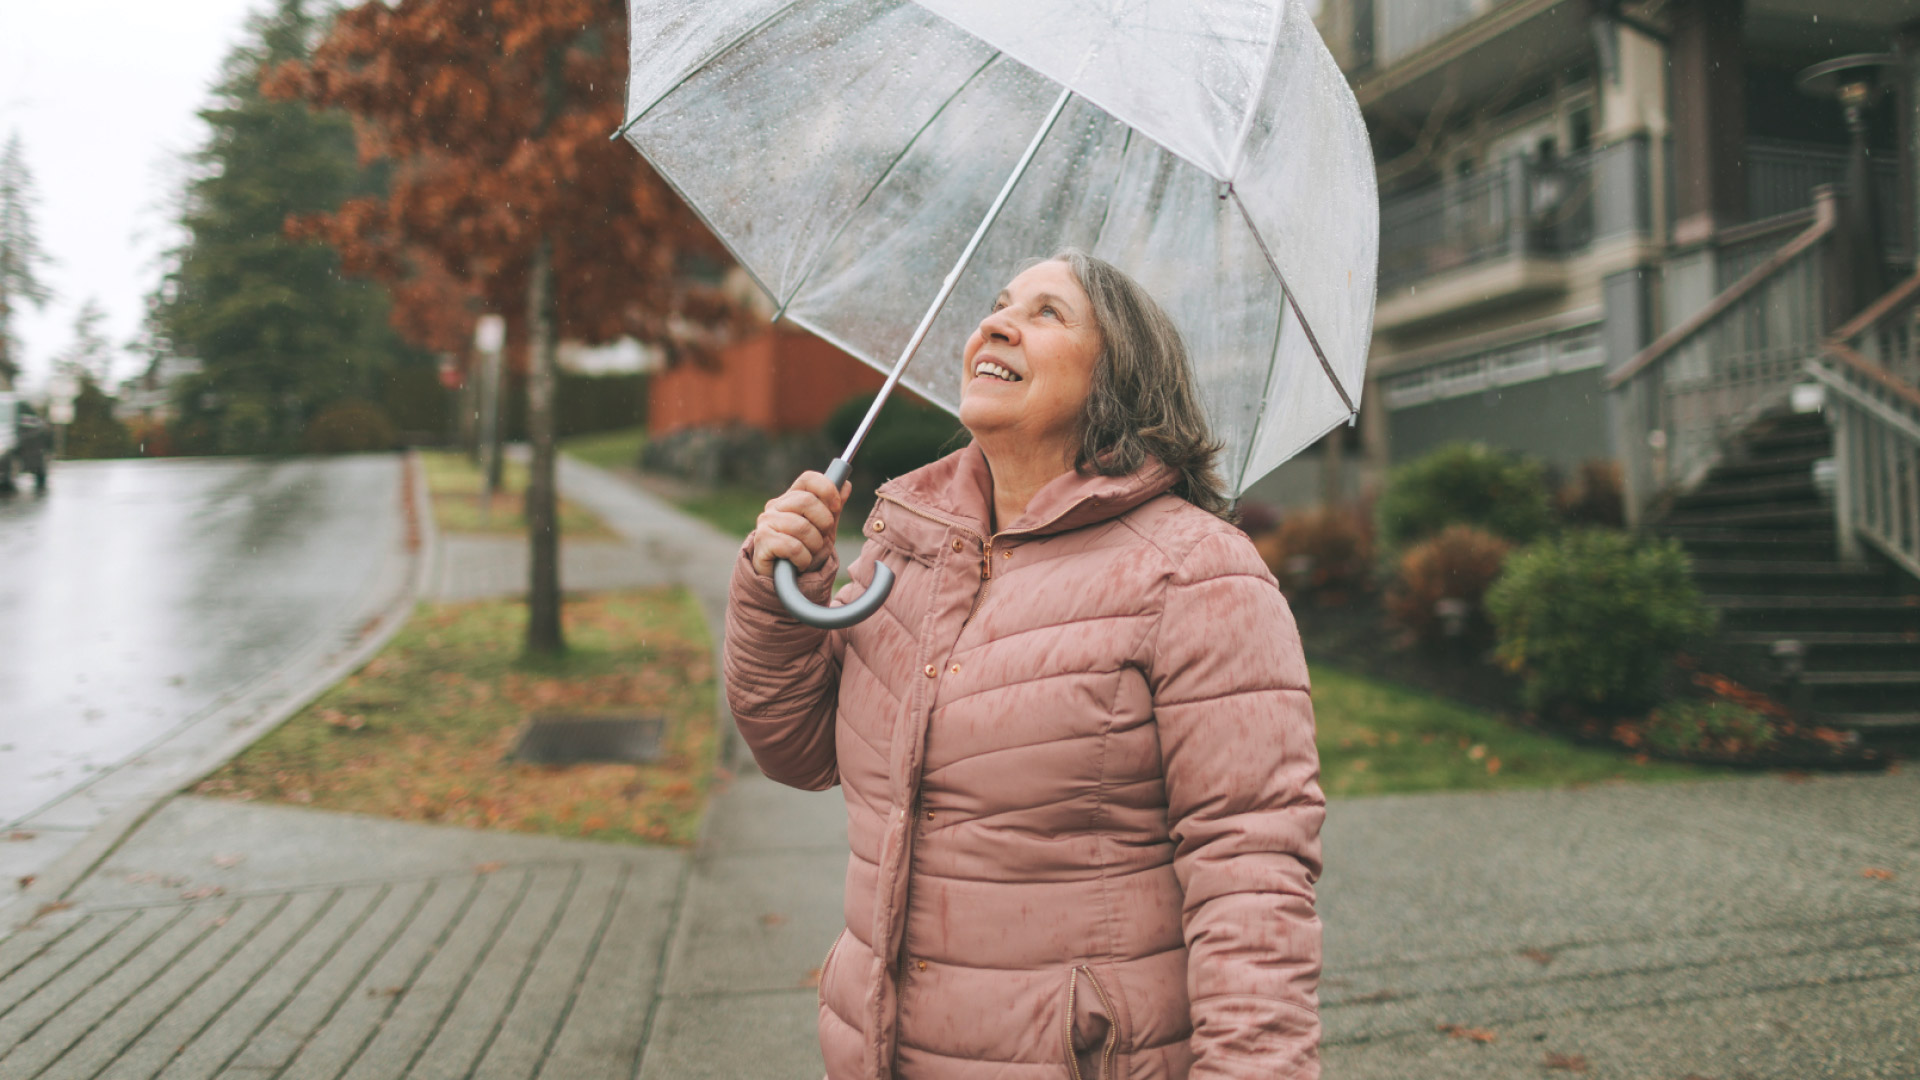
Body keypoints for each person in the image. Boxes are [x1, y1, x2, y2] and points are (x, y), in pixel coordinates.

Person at [725, 249, 1324, 1079]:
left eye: (1049, 314)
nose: (996, 323)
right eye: (1000, 304)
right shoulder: (908, 547)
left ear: (1122, 380)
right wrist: (777, 589)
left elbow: (1252, 875)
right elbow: (795, 751)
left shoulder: (1194, 574)